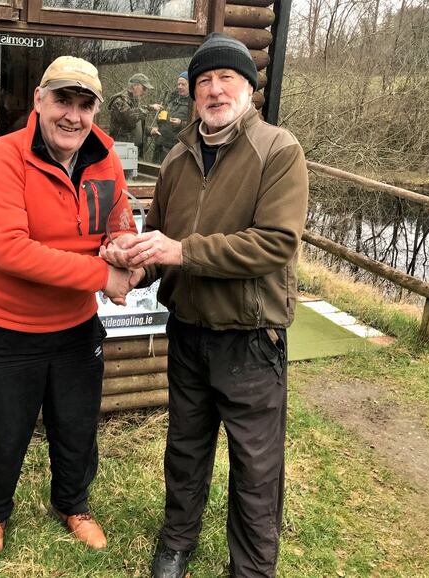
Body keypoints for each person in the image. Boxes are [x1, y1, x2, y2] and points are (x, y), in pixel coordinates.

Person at [100, 32, 309, 578]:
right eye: (204, 82)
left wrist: (180, 250)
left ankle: (252, 568)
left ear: (249, 89)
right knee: (186, 448)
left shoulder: (279, 150)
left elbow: (275, 243)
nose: (215, 91)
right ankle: (176, 544)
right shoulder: (175, 157)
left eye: (227, 79)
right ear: (192, 94)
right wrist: (131, 262)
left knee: (256, 467)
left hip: (250, 337)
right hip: (188, 331)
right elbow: (161, 238)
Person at [0, 55, 138, 557]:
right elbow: (10, 251)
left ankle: (73, 504)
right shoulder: (2, 156)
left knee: (77, 425)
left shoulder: (105, 158)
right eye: (63, 100)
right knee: (1, 429)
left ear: (96, 111)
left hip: (76, 325)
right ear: (39, 101)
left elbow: (119, 223)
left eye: (85, 105)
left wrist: (126, 252)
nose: (73, 115)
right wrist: (104, 275)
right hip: (7, 325)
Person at [108, 73, 162, 157]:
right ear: (135, 86)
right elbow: (129, 117)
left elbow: (135, 126)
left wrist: (149, 131)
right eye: (144, 88)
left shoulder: (134, 101)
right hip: (121, 150)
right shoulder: (119, 100)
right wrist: (149, 108)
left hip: (133, 150)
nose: (145, 91)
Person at [149, 71, 190, 164]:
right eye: (178, 84)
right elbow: (162, 121)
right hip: (160, 143)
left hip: (176, 147)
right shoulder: (172, 98)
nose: (179, 86)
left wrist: (181, 123)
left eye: (183, 84)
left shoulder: (194, 103)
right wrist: (159, 119)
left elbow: (196, 126)